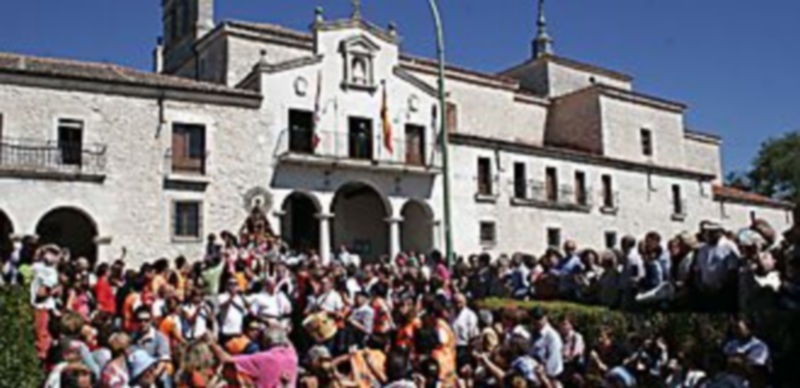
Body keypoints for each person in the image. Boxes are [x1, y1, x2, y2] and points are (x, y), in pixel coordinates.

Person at [208, 325, 299, 388]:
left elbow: (226, 359)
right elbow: (288, 342)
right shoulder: (292, 355)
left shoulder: (262, 359)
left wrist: (211, 343)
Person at [696, 222, 740, 311]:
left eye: (712, 232)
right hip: (704, 291)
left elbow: (732, 271)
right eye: (707, 232)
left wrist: (722, 287)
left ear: (720, 232)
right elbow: (698, 269)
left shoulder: (729, 247)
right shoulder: (703, 249)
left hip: (723, 292)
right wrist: (700, 285)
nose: (708, 234)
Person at [529, 307, 563, 379]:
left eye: (539, 318)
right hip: (533, 370)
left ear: (546, 317)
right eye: (534, 319)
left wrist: (543, 369)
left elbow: (554, 363)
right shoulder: (533, 333)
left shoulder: (552, 336)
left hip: (549, 375)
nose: (537, 321)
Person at [451, 293, 479, 368]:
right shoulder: (451, 314)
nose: (458, 305)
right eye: (456, 302)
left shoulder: (470, 315)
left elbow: (473, 334)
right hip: (453, 346)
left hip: (464, 346)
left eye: (460, 302)